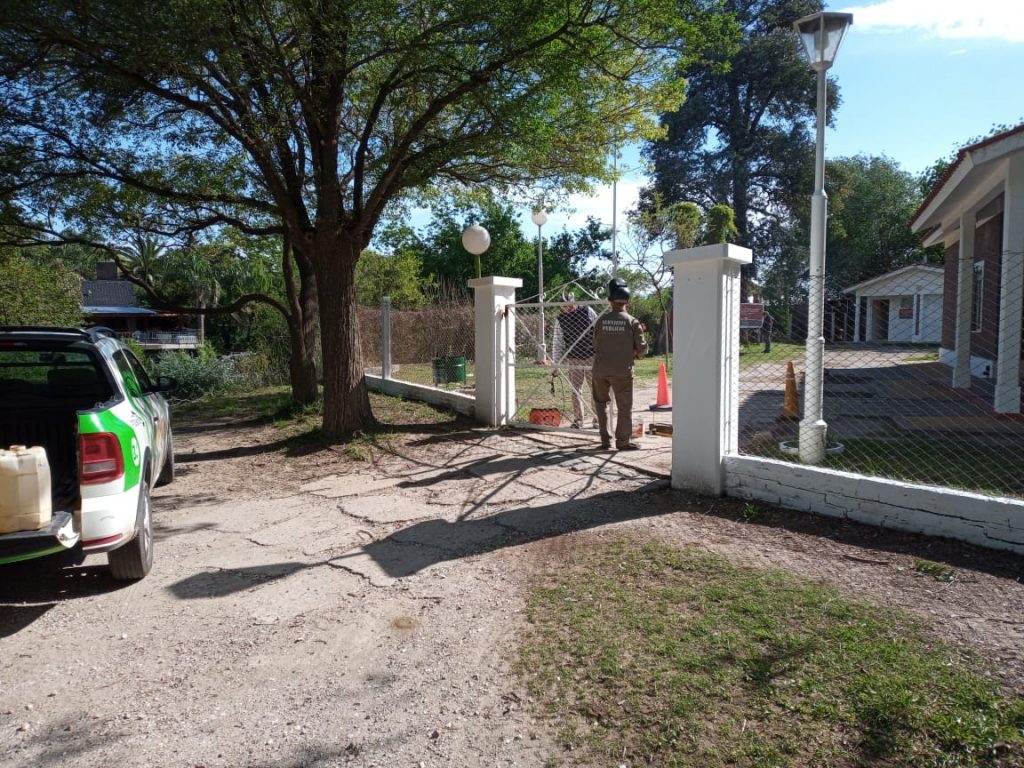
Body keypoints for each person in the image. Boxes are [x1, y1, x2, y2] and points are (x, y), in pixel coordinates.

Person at [592, 277, 648, 450]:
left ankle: (605, 441)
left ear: (609, 300)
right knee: (624, 407)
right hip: (622, 371)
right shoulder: (632, 322)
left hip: (600, 370)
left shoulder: (601, 321)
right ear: (628, 301)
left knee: (601, 405)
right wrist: (634, 354)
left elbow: (595, 345)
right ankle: (622, 442)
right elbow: (643, 349)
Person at [552, 290, 598, 428]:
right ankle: (579, 420)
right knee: (575, 390)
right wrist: (556, 363)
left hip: (591, 355)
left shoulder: (587, 311)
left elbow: (599, 328)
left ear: (574, 301)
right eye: (564, 306)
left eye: (570, 305)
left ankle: (598, 418)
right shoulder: (560, 320)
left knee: (596, 389)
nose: (568, 308)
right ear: (560, 306)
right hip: (573, 358)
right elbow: (558, 342)